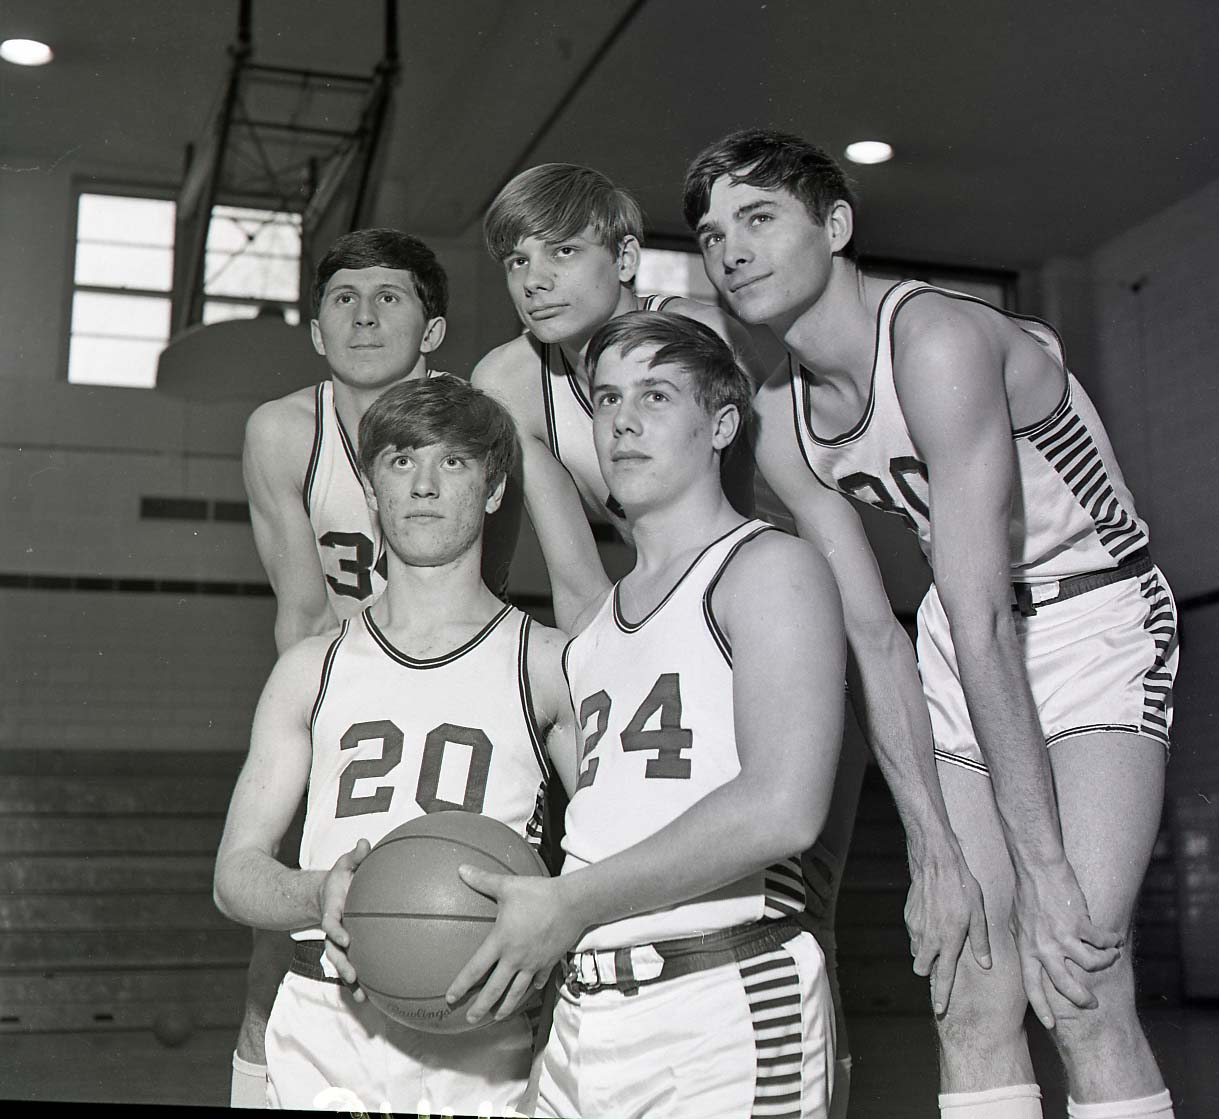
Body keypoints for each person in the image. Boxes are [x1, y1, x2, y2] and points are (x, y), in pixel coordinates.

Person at [683, 129, 1179, 1119]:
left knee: (1076, 975)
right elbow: (877, 637)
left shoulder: (936, 341)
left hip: (1091, 618)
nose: (730, 249)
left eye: (758, 218)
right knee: (965, 984)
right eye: (709, 234)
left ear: (836, 225)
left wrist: (1040, 869)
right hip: (961, 634)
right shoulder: (782, 420)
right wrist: (934, 850)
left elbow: (986, 613)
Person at [431, 310, 845, 1118]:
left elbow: (783, 807)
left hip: (721, 996)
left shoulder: (767, 567)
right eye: (608, 398)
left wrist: (569, 905)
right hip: (585, 1012)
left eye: (656, 395)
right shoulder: (594, 628)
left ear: (721, 424)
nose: (622, 419)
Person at [215, 376, 577, 1114]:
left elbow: (610, 854)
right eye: (401, 460)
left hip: (483, 1028)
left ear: (494, 488)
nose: (424, 484)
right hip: (327, 1018)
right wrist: (318, 891)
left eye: (454, 461)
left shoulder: (549, 663)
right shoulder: (310, 669)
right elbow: (234, 875)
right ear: (371, 491)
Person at [230, 228, 450, 1107]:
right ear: (317, 330)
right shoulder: (284, 431)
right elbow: (304, 614)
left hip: (458, 688)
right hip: (342, 690)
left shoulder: (473, 424)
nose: (363, 316)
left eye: (389, 296)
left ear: (432, 329)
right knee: (280, 940)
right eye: (343, 299)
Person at [471, 162, 762, 632]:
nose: (533, 281)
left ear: (625, 259)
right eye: (518, 261)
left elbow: (746, 519)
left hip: (777, 578)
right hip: (678, 595)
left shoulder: (703, 339)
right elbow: (577, 586)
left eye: (563, 251)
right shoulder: (509, 381)